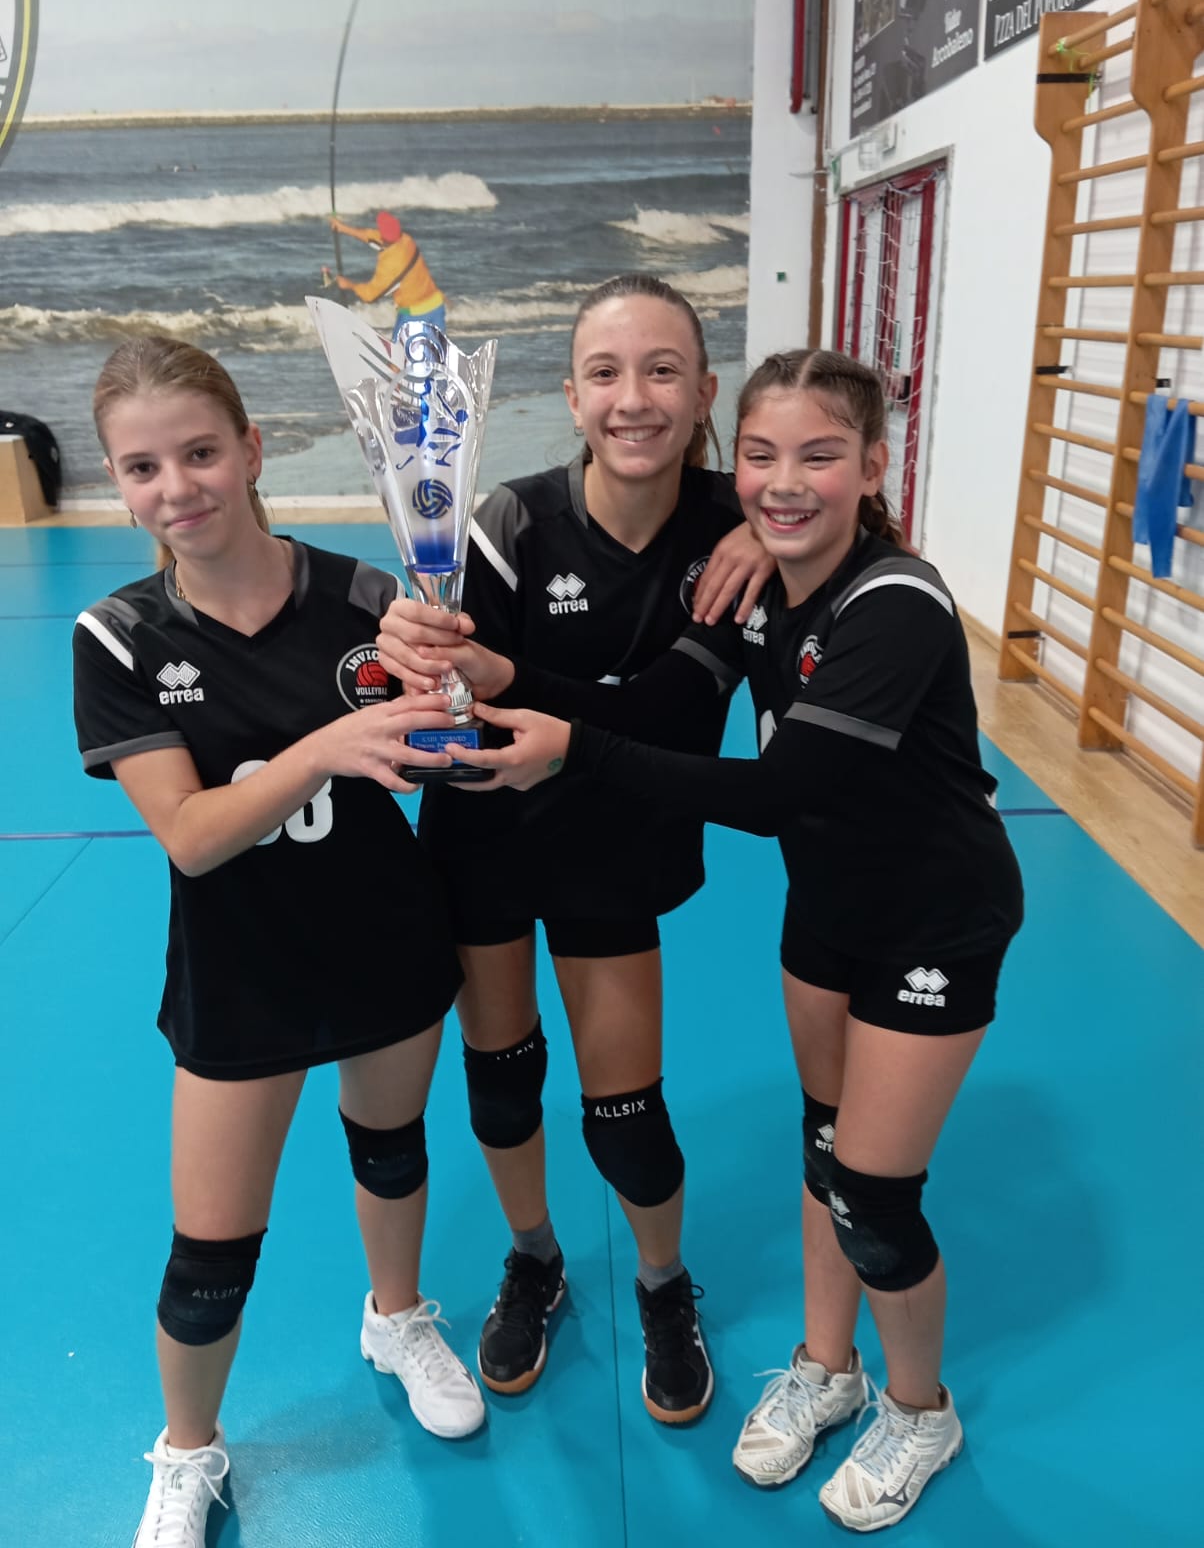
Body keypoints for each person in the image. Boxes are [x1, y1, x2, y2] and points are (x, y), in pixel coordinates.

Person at [389, 347, 1025, 1532]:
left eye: (820, 456)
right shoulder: (762, 579)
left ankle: (918, 1408)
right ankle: (826, 1367)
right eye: (765, 458)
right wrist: (478, 666)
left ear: (874, 465)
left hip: (931, 920)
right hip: (825, 906)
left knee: (874, 1197)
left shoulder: (896, 602)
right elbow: (655, 693)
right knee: (823, 1147)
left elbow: (779, 789)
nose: (783, 481)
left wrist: (572, 749)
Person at [72, 336, 483, 1548]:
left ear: (252, 451)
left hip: (386, 939)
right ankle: (187, 1449)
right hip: (240, 970)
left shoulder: (367, 596)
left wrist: (451, 701)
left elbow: (432, 752)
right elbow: (193, 836)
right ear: (117, 483)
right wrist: (324, 749)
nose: (177, 486)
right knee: (210, 1256)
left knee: (391, 1151)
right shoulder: (118, 636)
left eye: (200, 452)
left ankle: (396, 1316)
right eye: (142, 467)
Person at [377, 274, 773, 1425]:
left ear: (705, 392)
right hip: (487, 836)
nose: (633, 398)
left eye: (662, 370)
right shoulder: (504, 524)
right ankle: (535, 1257)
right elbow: (461, 705)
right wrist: (414, 649)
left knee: (627, 1115)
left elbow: (666, 711)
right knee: (502, 1083)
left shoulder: (738, 533)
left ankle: (662, 1281)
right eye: (605, 372)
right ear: (569, 395)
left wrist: (765, 519)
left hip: (617, 841)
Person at [329, 210, 446, 335]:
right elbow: (373, 237)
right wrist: (343, 228)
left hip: (414, 315)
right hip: (436, 306)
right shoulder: (406, 240)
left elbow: (370, 295)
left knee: (399, 348)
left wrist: (349, 285)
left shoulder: (390, 264)